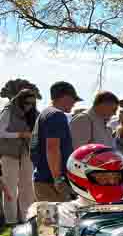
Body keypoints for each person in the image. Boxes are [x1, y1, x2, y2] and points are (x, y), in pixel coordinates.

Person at [31, 82, 80, 202]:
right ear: (65, 97)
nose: (74, 103)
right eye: (73, 99)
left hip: (42, 180)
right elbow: (52, 148)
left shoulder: (45, 114)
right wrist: (58, 179)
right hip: (51, 183)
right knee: (61, 220)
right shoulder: (56, 115)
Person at [0, 87, 39, 222]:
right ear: (20, 100)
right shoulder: (8, 111)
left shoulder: (34, 113)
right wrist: (20, 134)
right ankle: (11, 221)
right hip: (9, 153)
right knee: (9, 187)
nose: (30, 106)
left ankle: (26, 218)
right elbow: (1, 132)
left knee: (27, 186)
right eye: (27, 102)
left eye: (32, 103)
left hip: (27, 153)